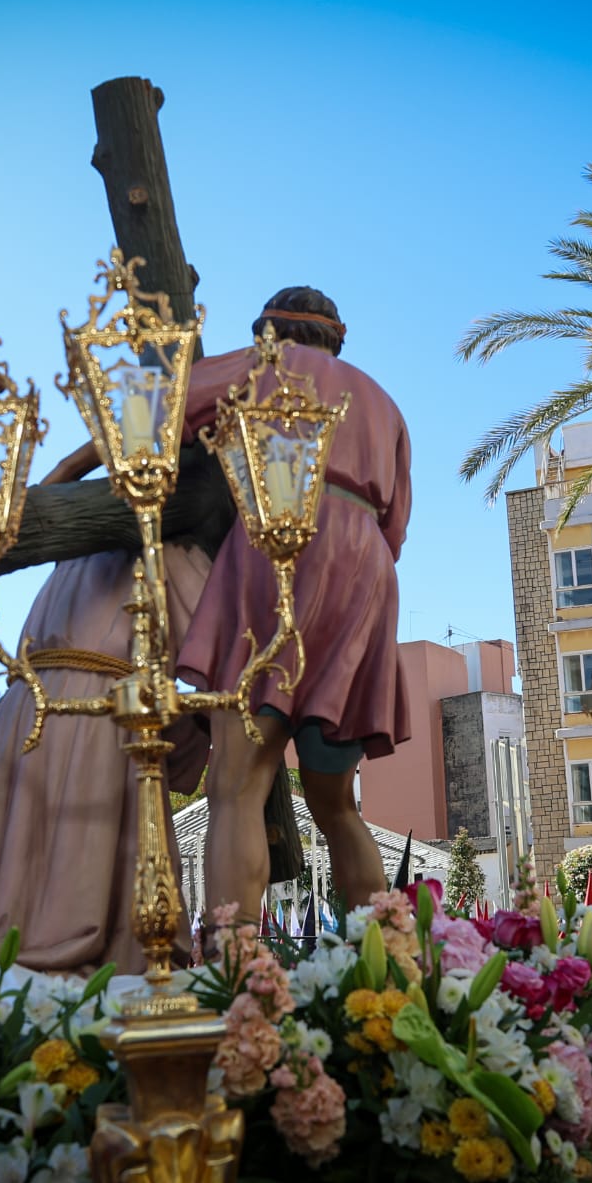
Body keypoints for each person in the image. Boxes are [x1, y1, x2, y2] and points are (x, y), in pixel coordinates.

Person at [0, 334, 261, 975]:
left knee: (16, 885)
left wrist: (86, 454)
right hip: (87, 723)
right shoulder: (140, 547)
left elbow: (41, 505)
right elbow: (205, 689)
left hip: (35, 713)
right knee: (55, 897)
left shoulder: (124, 543)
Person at [179, 287, 411, 934]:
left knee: (236, 784)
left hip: (277, 542)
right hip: (367, 565)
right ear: (335, 337)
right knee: (336, 803)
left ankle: (235, 959)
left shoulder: (262, 365)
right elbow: (397, 528)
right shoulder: (384, 403)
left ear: (272, 331)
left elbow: (159, 413)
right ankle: (389, 961)